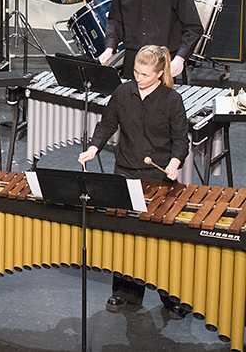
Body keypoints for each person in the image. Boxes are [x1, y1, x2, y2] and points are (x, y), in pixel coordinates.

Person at [78, 45, 189, 319]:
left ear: (160, 73)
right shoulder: (123, 92)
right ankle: (126, 291)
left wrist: (174, 163)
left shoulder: (171, 100)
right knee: (125, 235)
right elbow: (107, 124)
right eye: (135, 72)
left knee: (161, 240)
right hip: (125, 171)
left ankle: (171, 294)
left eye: (145, 74)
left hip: (156, 177)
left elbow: (180, 141)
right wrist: (94, 147)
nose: (138, 78)